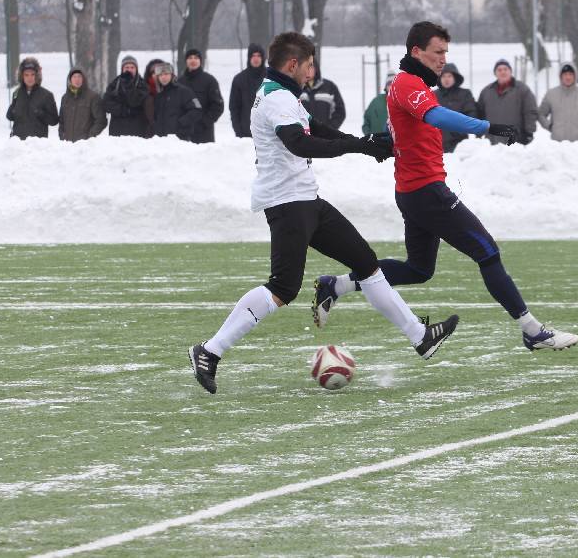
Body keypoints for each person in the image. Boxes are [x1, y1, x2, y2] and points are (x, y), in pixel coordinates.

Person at [189, 31, 459, 394]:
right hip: (287, 203)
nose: (312, 71)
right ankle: (209, 350)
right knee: (283, 288)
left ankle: (420, 336)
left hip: (305, 199)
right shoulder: (276, 98)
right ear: (292, 64)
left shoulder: (280, 92)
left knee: (366, 262)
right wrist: (355, 149)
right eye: (310, 64)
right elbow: (299, 143)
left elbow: (315, 128)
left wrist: (362, 144)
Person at [313, 21, 578, 352]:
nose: (443, 59)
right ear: (416, 52)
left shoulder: (413, 85)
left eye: (445, 53)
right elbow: (436, 117)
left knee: (418, 269)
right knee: (488, 253)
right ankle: (532, 331)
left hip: (414, 192)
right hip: (427, 193)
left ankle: (335, 286)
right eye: (438, 52)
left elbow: (408, 129)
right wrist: (487, 126)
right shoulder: (408, 83)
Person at [477, 58, 538, 145]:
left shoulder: (522, 89)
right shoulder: (486, 91)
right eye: (499, 70)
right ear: (495, 73)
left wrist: (529, 132)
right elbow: (480, 114)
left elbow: (530, 111)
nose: (503, 72)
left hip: (517, 141)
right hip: (492, 142)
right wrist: (479, 133)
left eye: (505, 69)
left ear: (510, 71)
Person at [538, 63, 578, 141]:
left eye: (571, 74)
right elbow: (541, 114)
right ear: (561, 76)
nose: (568, 77)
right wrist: (549, 126)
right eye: (565, 74)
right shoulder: (551, 94)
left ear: (575, 76)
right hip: (557, 143)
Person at [6, 57, 58, 140]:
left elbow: (54, 121)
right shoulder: (16, 93)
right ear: (22, 76)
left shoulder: (47, 95)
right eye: (26, 75)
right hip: (18, 144)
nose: (29, 78)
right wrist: (13, 111)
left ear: (37, 75)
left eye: (32, 74)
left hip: (37, 145)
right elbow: (10, 116)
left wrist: (40, 113)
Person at [181, 48, 225, 143]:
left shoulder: (209, 81)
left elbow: (218, 106)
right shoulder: (179, 82)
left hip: (204, 134)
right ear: (186, 61)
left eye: (196, 58)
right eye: (190, 58)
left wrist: (205, 122)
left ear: (200, 61)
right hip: (182, 134)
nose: (193, 60)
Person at [152, 62, 204, 140]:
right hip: (161, 141)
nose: (163, 77)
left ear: (172, 75)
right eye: (160, 75)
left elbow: (197, 109)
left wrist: (181, 122)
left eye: (166, 74)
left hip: (180, 139)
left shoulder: (184, 91)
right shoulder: (158, 95)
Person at [104, 55, 152, 137]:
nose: (129, 70)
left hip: (137, 131)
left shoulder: (143, 85)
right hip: (117, 131)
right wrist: (123, 110)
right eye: (126, 67)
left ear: (136, 69)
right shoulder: (114, 84)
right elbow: (106, 104)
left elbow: (135, 102)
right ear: (122, 69)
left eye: (132, 67)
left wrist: (128, 85)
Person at [433, 63, 477, 151]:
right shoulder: (433, 95)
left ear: (455, 78)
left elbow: (472, 114)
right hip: (436, 144)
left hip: (459, 145)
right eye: (443, 76)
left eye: (449, 76)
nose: (446, 79)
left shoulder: (465, 94)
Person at [229, 43, 266, 138]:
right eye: (253, 55)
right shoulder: (239, 79)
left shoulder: (272, 78)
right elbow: (234, 107)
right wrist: (238, 130)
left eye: (259, 55)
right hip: (245, 133)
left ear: (263, 58)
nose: (256, 58)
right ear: (249, 58)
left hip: (268, 133)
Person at [59, 68, 107, 141]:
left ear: (84, 79)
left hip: (85, 146)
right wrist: (62, 136)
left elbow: (101, 120)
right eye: (74, 77)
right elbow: (61, 122)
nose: (77, 79)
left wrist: (90, 137)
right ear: (70, 80)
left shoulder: (93, 97)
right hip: (67, 145)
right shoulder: (65, 98)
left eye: (79, 77)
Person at [300, 60, 346, 129]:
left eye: (311, 67)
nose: (308, 71)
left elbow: (340, 112)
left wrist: (330, 129)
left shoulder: (329, 87)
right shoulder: (296, 87)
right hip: (303, 136)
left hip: (325, 137)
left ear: (316, 69)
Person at [363, 72, 395, 136]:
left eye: (393, 83)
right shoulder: (376, 102)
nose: (391, 86)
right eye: (389, 84)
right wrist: (369, 137)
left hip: (397, 144)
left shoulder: (403, 102)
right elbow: (366, 122)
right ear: (385, 86)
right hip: (377, 143)